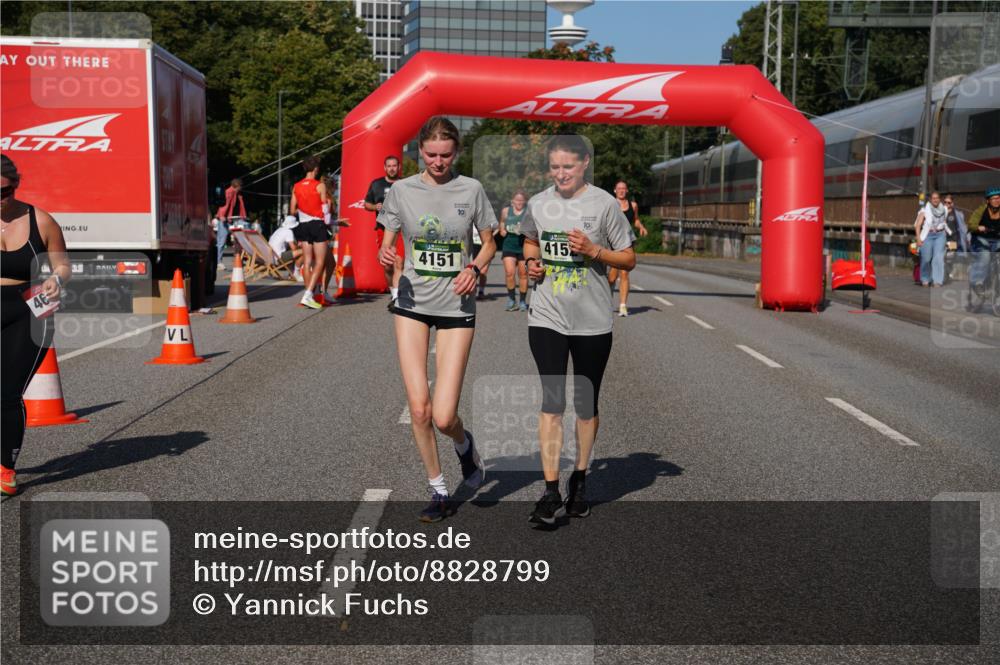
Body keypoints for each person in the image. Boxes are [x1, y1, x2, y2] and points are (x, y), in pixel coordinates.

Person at [377, 117, 497, 522]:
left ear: (456, 153)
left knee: (445, 415)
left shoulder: (472, 190)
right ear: (419, 152)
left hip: (456, 307)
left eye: (446, 155)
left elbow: (489, 242)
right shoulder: (401, 191)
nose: (438, 162)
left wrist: (475, 269)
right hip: (411, 303)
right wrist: (386, 256)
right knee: (419, 407)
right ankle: (438, 489)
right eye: (431, 154)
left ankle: (465, 446)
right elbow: (387, 243)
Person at [521, 136, 636, 525]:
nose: (561, 174)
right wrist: (532, 264)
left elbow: (629, 257)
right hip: (547, 316)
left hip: (592, 321)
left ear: (585, 163)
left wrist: (594, 251)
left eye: (568, 167)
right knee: (552, 404)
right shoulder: (538, 203)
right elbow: (530, 242)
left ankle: (581, 479)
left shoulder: (603, 204)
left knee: (586, 406)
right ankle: (551, 491)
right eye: (555, 167)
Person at [1, 154, 71, 496]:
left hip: (28, 309)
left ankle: (5, 469)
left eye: (4, 191)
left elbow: (62, 265)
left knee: (7, 392)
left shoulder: (40, 220)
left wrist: (56, 280)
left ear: (15, 186)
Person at [290, 155, 329, 309]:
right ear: (316, 169)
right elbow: (325, 210)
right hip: (317, 225)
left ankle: (309, 295)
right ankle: (308, 294)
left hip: (303, 225)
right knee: (320, 261)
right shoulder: (319, 185)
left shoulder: (296, 186)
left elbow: (292, 210)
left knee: (307, 262)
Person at [366, 155, 404, 306]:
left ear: (398, 167)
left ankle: (397, 296)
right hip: (383, 229)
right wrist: (375, 207)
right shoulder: (376, 184)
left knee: (399, 262)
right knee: (388, 265)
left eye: (394, 166)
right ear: (385, 168)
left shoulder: (404, 184)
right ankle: (392, 289)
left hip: (401, 230)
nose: (392, 168)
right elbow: (367, 204)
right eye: (389, 166)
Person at [607, 180, 647, 316]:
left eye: (624, 188)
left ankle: (623, 306)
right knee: (612, 277)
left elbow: (635, 219)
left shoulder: (633, 205)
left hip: (627, 241)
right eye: (619, 188)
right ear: (615, 190)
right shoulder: (610, 203)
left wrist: (641, 227)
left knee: (624, 273)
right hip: (613, 241)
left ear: (627, 191)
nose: (621, 191)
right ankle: (607, 302)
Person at [499, 190, 529, 311]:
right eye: (517, 200)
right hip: (509, 244)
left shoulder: (528, 212)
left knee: (523, 274)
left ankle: (522, 301)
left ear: (525, 201)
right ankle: (511, 299)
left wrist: (524, 231)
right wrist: (502, 230)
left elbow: (534, 228)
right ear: (512, 201)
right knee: (509, 273)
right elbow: (501, 222)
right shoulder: (506, 211)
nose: (519, 202)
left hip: (523, 245)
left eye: (521, 200)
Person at [914, 191, 950, 287]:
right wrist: (918, 238)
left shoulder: (944, 209)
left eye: (937, 198)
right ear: (930, 199)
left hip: (940, 235)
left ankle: (937, 280)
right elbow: (918, 225)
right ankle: (925, 278)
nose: (935, 200)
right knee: (926, 258)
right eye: (933, 198)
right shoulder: (924, 210)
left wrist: (946, 233)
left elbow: (944, 222)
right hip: (928, 236)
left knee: (938, 258)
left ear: (939, 199)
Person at [968, 186, 1000, 295]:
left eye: (999, 198)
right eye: (994, 198)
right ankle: (978, 282)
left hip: (997, 240)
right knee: (985, 255)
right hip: (981, 239)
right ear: (988, 200)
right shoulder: (981, 210)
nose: (997, 200)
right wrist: (978, 227)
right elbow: (971, 224)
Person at [216, 179, 248, 271]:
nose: (240, 189)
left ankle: (240, 259)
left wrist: (243, 216)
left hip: (234, 219)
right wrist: (222, 215)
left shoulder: (237, 194)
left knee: (240, 239)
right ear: (237, 186)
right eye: (240, 187)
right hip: (225, 219)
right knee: (221, 242)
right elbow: (223, 205)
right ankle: (219, 262)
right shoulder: (229, 192)